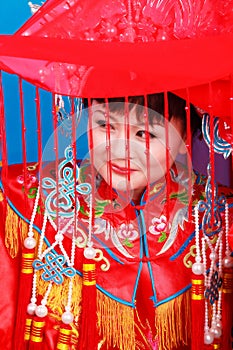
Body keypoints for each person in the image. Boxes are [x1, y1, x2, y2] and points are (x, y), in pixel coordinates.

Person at [0, 92, 232, 350]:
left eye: (145, 134)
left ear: (184, 137)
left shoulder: (218, 215)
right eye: (105, 125)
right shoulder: (24, 198)